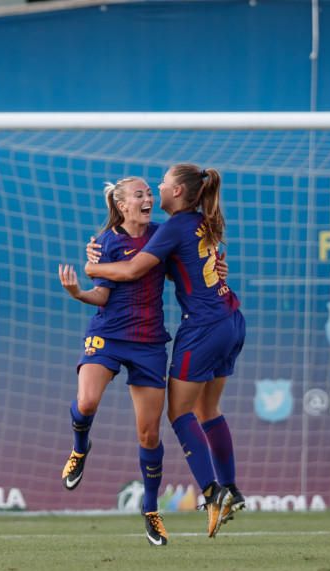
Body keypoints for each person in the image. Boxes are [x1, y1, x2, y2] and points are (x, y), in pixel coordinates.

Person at [85, 165, 245, 538]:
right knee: (208, 409)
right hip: (231, 318)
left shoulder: (173, 227)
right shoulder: (201, 220)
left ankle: (212, 493)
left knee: (178, 413)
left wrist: (94, 265)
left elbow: (130, 271)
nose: (156, 190)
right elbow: (188, 263)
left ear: (179, 193)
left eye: (163, 185)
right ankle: (231, 488)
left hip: (203, 328)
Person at [58, 176, 171, 546]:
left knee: (149, 434)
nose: (148, 198)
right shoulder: (106, 242)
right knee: (87, 401)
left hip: (149, 342)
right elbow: (102, 296)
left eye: (149, 193)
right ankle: (80, 447)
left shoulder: (162, 234)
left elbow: (187, 264)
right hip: (108, 336)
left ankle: (151, 509)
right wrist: (78, 293)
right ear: (122, 205)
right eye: (140, 194)